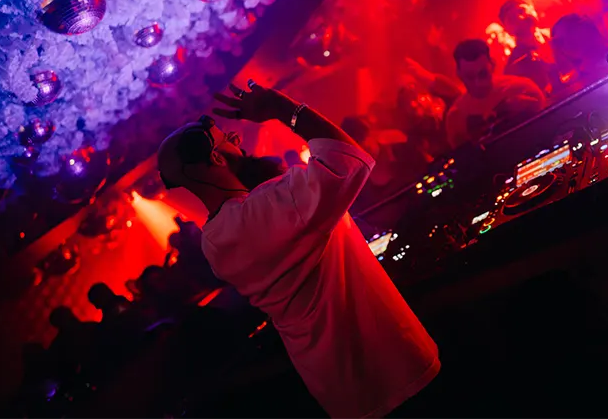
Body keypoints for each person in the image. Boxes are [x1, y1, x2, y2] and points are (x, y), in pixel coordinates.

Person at [157, 80, 440, 418]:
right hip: (394, 366)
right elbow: (348, 158)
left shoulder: (213, 244)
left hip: (338, 388)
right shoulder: (273, 205)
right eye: (228, 139)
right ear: (216, 157)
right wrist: (283, 109)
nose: (238, 140)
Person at [408, 40, 546, 149]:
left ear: (492, 65)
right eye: (469, 77)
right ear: (459, 74)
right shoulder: (456, 117)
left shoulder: (522, 89)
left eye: (483, 74)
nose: (477, 83)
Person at [498, 0, 558, 94]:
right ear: (508, 30)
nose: (520, 17)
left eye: (521, 11)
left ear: (532, 8)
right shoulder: (514, 67)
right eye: (512, 19)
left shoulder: (557, 35)